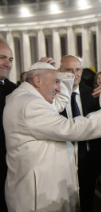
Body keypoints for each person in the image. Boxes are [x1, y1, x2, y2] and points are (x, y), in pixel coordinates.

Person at [3, 61, 101, 212]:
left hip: (40, 187)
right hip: (39, 196)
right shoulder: (30, 103)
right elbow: (69, 128)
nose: (59, 88)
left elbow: (58, 103)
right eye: (55, 82)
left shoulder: (25, 96)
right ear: (38, 80)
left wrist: (61, 74)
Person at [58, 55, 101, 212]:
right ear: (60, 71)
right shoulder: (52, 97)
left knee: (87, 203)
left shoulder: (94, 94)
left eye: (78, 70)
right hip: (63, 161)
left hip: (89, 159)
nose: (75, 74)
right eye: (69, 70)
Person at [0, 40, 17, 212]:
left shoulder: (15, 90)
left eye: (10, 59)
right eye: (2, 58)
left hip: (10, 169)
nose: (8, 63)